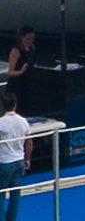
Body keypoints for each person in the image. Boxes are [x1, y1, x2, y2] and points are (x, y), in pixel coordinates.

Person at [0, 93, 32, 221]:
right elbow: (29, 141)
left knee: (1, 195)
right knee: (15, 195)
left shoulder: (1, 123)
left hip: (5, 163)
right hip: (19, 161)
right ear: (15, 104)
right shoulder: (23, 121)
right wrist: (27, 159)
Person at [5, 26, 36, 116]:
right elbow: (10, 72)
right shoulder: (16, 50)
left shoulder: (32, 48)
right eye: (28, 39)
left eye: (32, 39)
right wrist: (21, 71)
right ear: (22, 37)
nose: (30, 41)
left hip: (26, 84)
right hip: (16, 85)